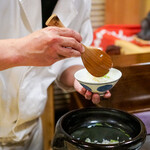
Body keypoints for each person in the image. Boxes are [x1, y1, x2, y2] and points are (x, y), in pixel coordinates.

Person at [0, 0, 111, 149]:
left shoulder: (80, 2)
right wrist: (21, 50)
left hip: (30, 132)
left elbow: (69, 60)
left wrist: (81, 78)